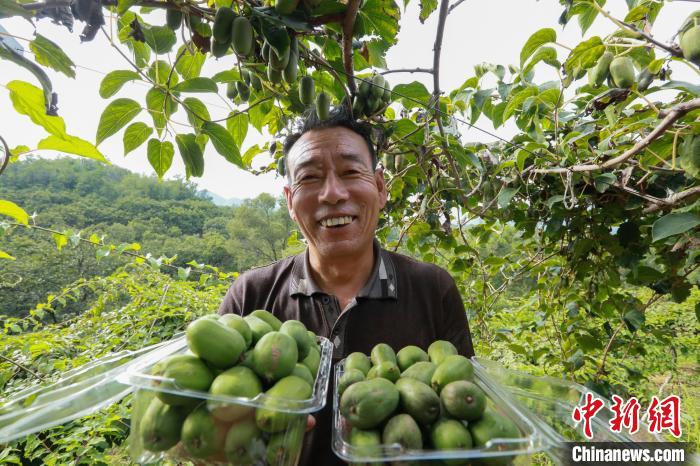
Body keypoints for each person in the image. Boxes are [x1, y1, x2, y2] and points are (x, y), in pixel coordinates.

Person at [218, 105, 474, 465]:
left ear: (381, 187)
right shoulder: (251, 296)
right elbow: (213, 422)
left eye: (351, 171)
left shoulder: (433, 290)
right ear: (290, 201)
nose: (333, 194)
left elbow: (463, 410)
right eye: (310, 178)